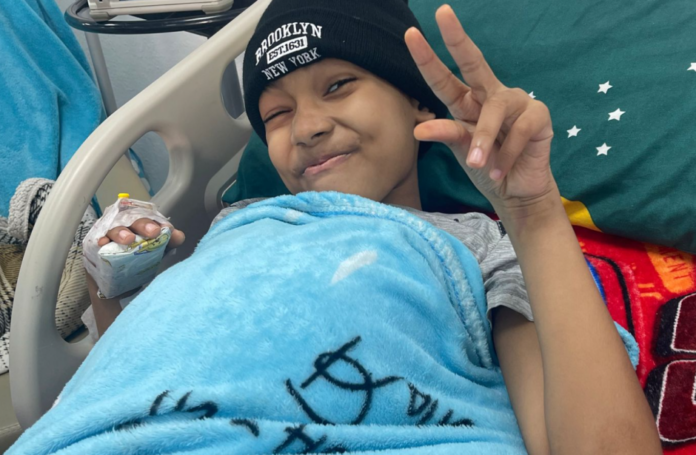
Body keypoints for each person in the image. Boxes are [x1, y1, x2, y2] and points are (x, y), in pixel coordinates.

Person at [64, 0, 659, 454]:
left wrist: (535, 215)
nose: (307, 128)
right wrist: (117, 274)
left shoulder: (478, 248)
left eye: (338, 86)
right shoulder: (238, 221)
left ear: (417, 100)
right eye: (277, 113)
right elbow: (132, 376)